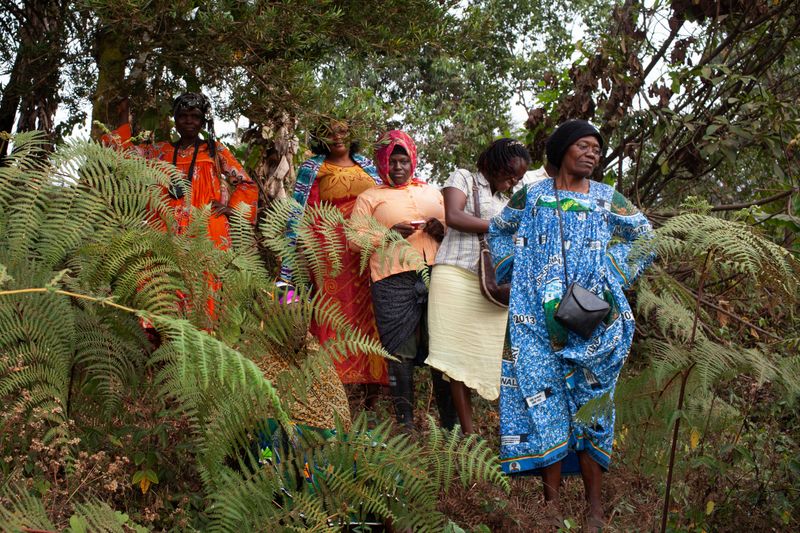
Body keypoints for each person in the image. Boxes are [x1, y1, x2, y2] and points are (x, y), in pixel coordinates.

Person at [489, 120, 654, 531]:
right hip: (535, 322)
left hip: (592, 317)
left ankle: (595, 509)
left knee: (592, 406)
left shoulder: (605, 198)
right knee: (544, 405)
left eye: (597, 149)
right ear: (562, 150)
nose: (592, 153)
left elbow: (645, 236)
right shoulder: (533, 195)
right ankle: (550, 508)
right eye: (583, 145)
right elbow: (500, 230)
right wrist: (519, 278)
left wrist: (611, 275)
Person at [102, 93, 258, 319]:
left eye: (195, 116)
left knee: (204, 283)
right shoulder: (159, 151)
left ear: (203, 121)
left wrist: (231, 210)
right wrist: (124, 118)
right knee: (160, 281)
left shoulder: (214, 150)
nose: (188, 121)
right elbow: (118, 153)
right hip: (164, 227)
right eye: (182, 116)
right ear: (175, 119)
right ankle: (162, 340)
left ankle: (201, 337)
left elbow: (246, 183)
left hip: (204, 227)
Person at [349, 130, 456, 430]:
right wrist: (388, 234)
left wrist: (441, 230)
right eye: (392, 162)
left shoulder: (432, 193)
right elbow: (353, 238)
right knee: (400, 351)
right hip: (392, 281)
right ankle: (406, 424)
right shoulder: (370, 197)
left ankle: (450, 425)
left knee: (443, 349)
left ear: (413, 162)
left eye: (403, 161)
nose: (398, 167)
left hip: (437, 274)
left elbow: (454, 228)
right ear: (383, 164)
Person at [426, 138, 531, 434]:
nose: (513, 181)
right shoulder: (465, 178)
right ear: (495, 163)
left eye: (519, 178)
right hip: (455, 275)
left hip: (491, 284)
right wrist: (501, 227)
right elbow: (454, 217)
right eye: (511, 173)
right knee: (454, 355)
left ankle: (505, 431)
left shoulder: (506, 201)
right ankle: (469, 432)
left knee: (483, 355)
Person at [279, 120, 388, 391]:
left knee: (369, 313)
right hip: (329, 253)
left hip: (365, 250)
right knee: (332, 311)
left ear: (353, 134)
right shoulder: (312, 167)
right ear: (320, 138)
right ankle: (330, 380)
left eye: (343, 131)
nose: (337, 137)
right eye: (330, 133)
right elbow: (302, 211)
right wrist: (301, 248)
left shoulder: (368, 166)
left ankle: (370, 384)